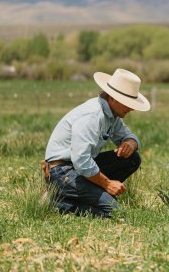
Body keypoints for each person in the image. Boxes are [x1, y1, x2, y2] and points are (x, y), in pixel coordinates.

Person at [42, 68, 151, 217]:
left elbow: (128, 136)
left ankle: (82, 196)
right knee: (114, 211)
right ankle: (57, 202)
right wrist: (107, 184)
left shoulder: (112, 115)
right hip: (63, 172)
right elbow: (81, 161)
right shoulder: (93, 116)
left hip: (78, 168)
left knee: (132, 159)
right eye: (128, 102)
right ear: (113, 98)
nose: (131, 108)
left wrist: (131, 143)